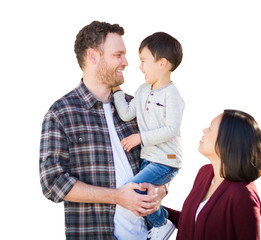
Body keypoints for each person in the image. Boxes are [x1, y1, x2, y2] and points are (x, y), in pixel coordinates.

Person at [39, 21, 167, 240]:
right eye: (118, 55)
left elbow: (163, 157)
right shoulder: (61, 114)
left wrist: (161, 189)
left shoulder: (136, 107)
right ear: (93, 56)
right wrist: (117, 197)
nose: (126, 62)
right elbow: (52, 182)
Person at [112, 32, 184, 240]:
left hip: (167, 160)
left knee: (131, 190)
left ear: (162, 63)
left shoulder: (172, 95)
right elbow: (126, 113)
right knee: (143, 194)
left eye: (144, 61)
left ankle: (162, 223)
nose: (140, 67)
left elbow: (171, 129)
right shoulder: (142, 91)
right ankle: (159, 222)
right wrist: (116, 91)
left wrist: (140, 138)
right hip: (149, 159)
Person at [165, 110, 261, 240]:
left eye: (210, 128)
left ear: (227, 140)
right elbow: (193, 222)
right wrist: (154, 208)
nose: (204, 130)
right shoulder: (205, 173)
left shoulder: (244, 195)